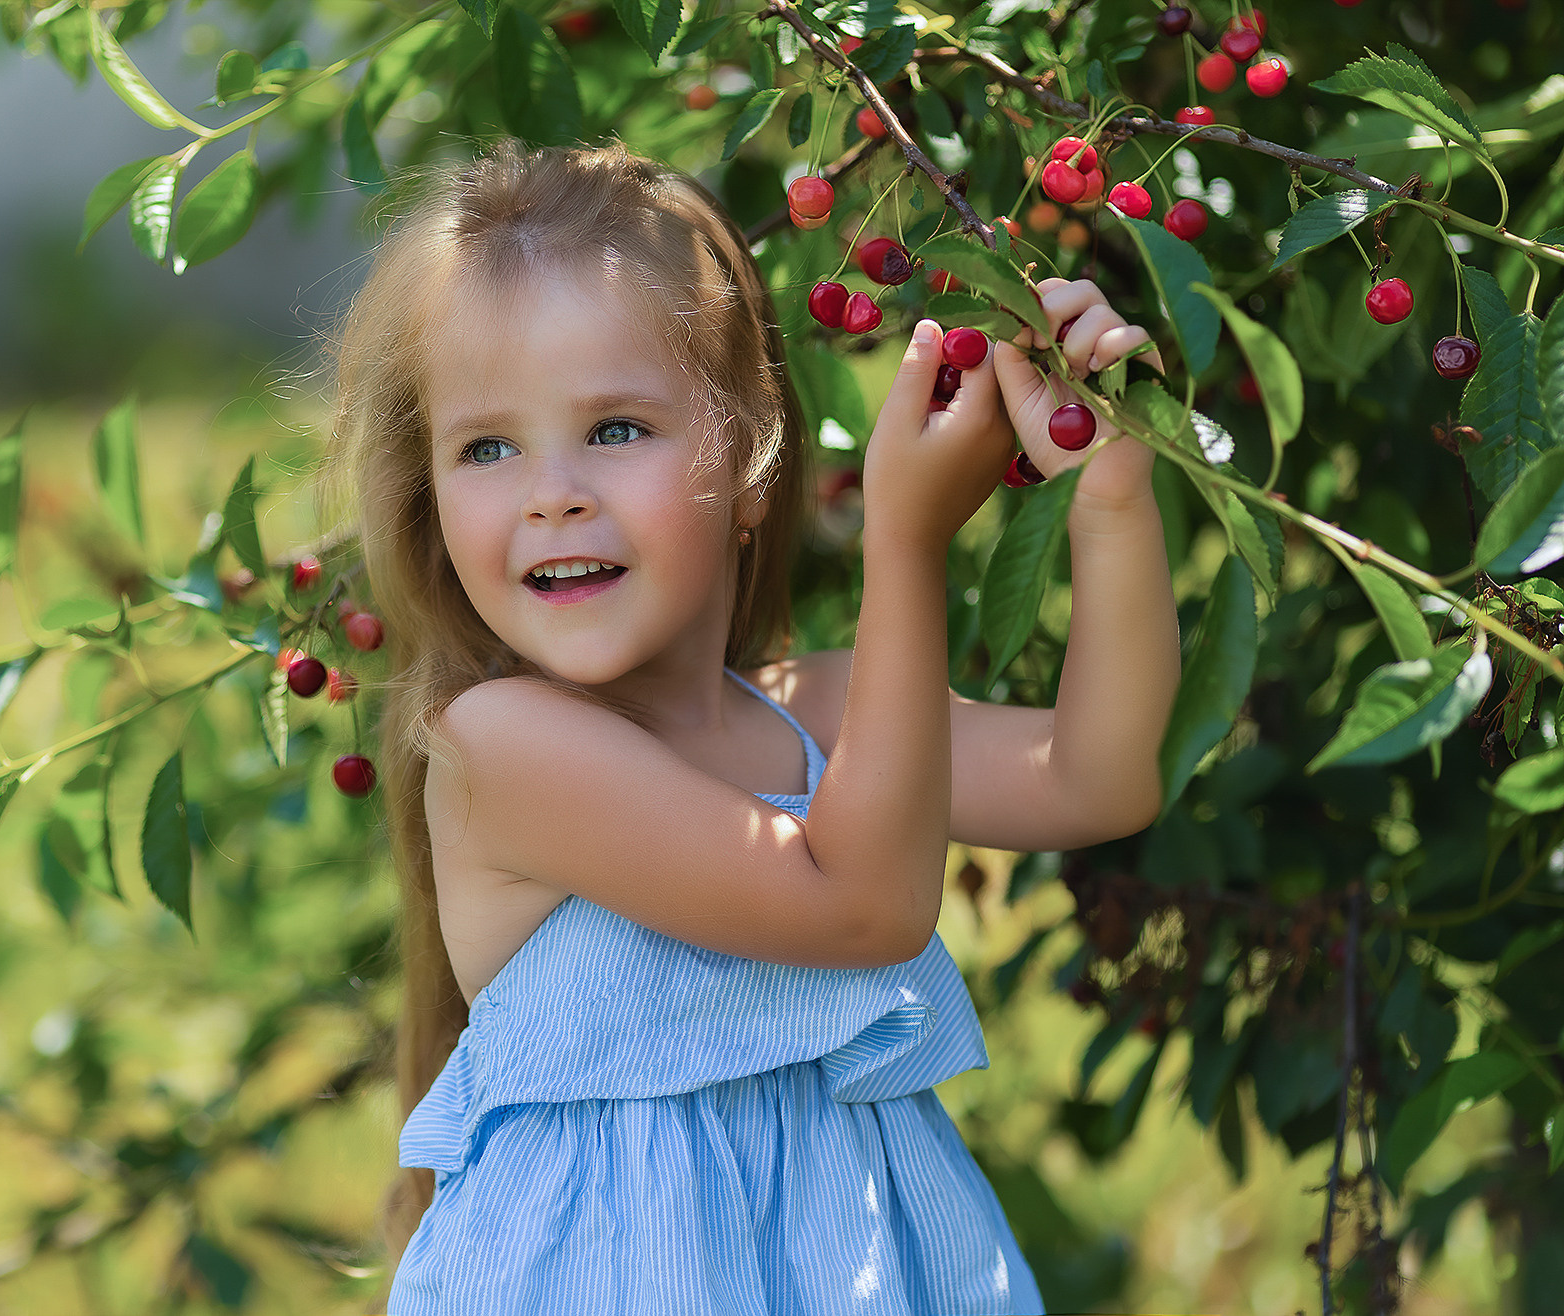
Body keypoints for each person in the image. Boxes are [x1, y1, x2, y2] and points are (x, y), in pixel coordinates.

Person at [314, 137, 1180, 1315]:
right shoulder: (502, 747)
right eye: (486, 446)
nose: (549, 490)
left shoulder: (813, 712)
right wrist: (905, 538)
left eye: (615, 428)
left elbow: (1099, 777)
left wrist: (1113, 491)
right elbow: (862, 905)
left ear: (755, 461)